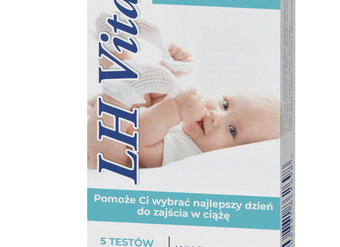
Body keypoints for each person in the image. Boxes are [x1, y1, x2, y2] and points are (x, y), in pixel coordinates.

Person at [87, 40, 281, 169]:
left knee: (114, 152)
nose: (216, 116)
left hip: (95, 151)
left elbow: (137, 137)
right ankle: (118, 54)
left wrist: (175, 110)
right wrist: (169, 73)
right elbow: (155, 104)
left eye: (232, 130)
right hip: (92, 117)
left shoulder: (188, 152)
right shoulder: (193, 123)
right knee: (145, 98)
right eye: (225, 105)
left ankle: (118, 82)